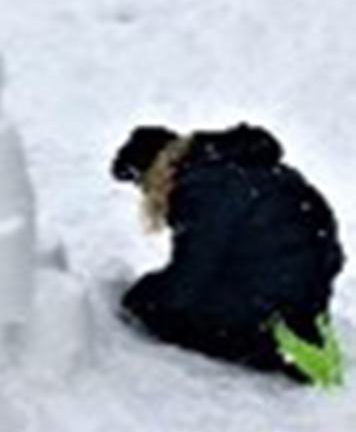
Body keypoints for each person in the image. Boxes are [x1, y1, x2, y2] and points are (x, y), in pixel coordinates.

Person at [111, 124, 345, 387]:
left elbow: (190, 279)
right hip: (306, 295)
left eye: (143, 184)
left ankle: (273, 347)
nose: (146, 195)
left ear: (156, 169)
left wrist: (144, 296)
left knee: (148, 306)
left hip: (268, 301)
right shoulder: (238, 167)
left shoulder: (199, 187)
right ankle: (293, 331)